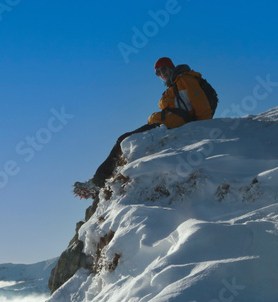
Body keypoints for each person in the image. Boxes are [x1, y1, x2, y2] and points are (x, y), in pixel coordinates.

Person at [74, 57, 214, 199]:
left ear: (171, 67)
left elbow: (202, 106)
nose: (161, 74)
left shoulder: (185, 80)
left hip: (170, 124)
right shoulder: (174, 86)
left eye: (164, 69)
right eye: (158, 72)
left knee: (123, 140)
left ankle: (97, 183)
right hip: (167, 124)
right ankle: (102, 183)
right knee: (125, 141)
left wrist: (202, 131)